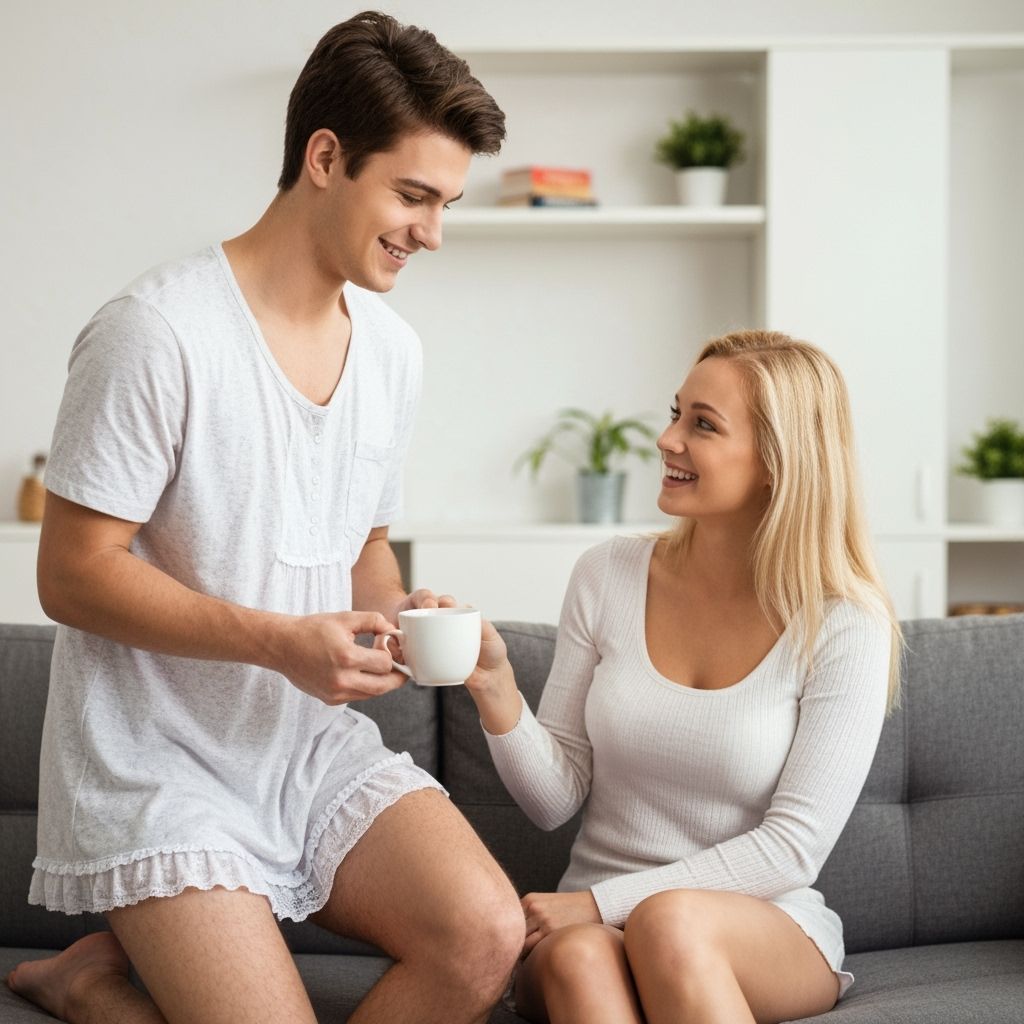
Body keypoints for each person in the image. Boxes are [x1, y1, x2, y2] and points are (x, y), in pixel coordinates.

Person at [5, 12, 523, 1024]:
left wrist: (399, 616)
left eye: (447, 203)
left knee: (484, 936)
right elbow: (70, 572)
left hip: (301, 749)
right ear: (324, 157)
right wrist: (280, 641)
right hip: (155, 759)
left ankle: (86, 976)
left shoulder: (391, 352)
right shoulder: (155, 333)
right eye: (413, 195)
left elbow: (362, 543)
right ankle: (82, 979)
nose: (433, 232)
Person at [464, 330, 902, 1024]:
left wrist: (603, 904)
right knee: (579, 958)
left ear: (777, 463)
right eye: (676, 413)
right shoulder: (607, 575)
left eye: (702, 424)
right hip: (591, 929)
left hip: (759, 926)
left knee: (670, 923)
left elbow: (792, 849)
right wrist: (493, 685)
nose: (667, 440)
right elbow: (554, 798)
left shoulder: (845, 621)